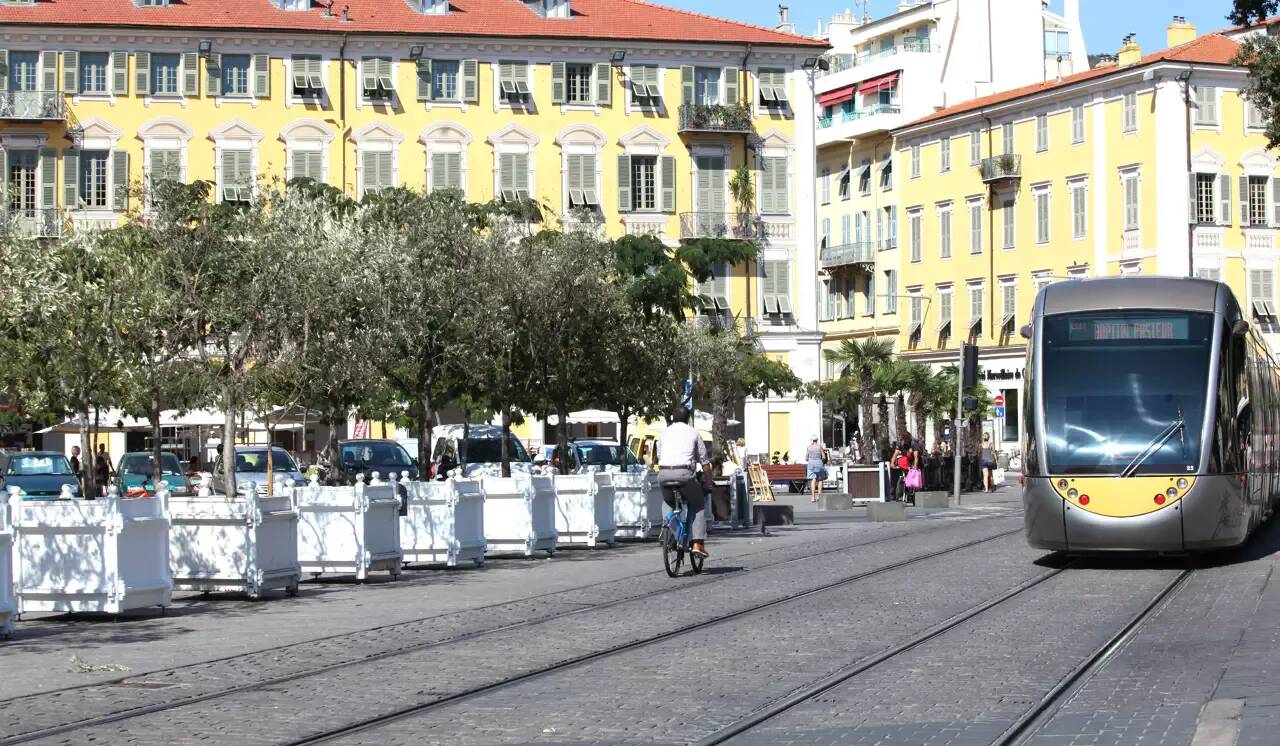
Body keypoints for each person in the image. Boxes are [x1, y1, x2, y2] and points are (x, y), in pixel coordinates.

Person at [656, 407, 711, 558]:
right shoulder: (693, 433)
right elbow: (705, 463)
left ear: (673, 418)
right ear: (688, 419)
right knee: (698, 503)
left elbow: (659, 455)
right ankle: (697, 543)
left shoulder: (664, 433)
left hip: (664, 473)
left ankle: (668, 528)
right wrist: (708, 483)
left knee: (668, 501)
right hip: (684, 474)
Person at [806, 436, 828, 503]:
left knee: (813, 480)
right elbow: (824, 457)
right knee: (820, 480)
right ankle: (819, 497)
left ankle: (813, 497)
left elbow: (806, 458)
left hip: (811, 465)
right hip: (819, 464)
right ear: (817, 440)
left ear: (811, 440)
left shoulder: (808, 447)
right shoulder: (819, 447)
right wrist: (820, 459)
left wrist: (811, 460)